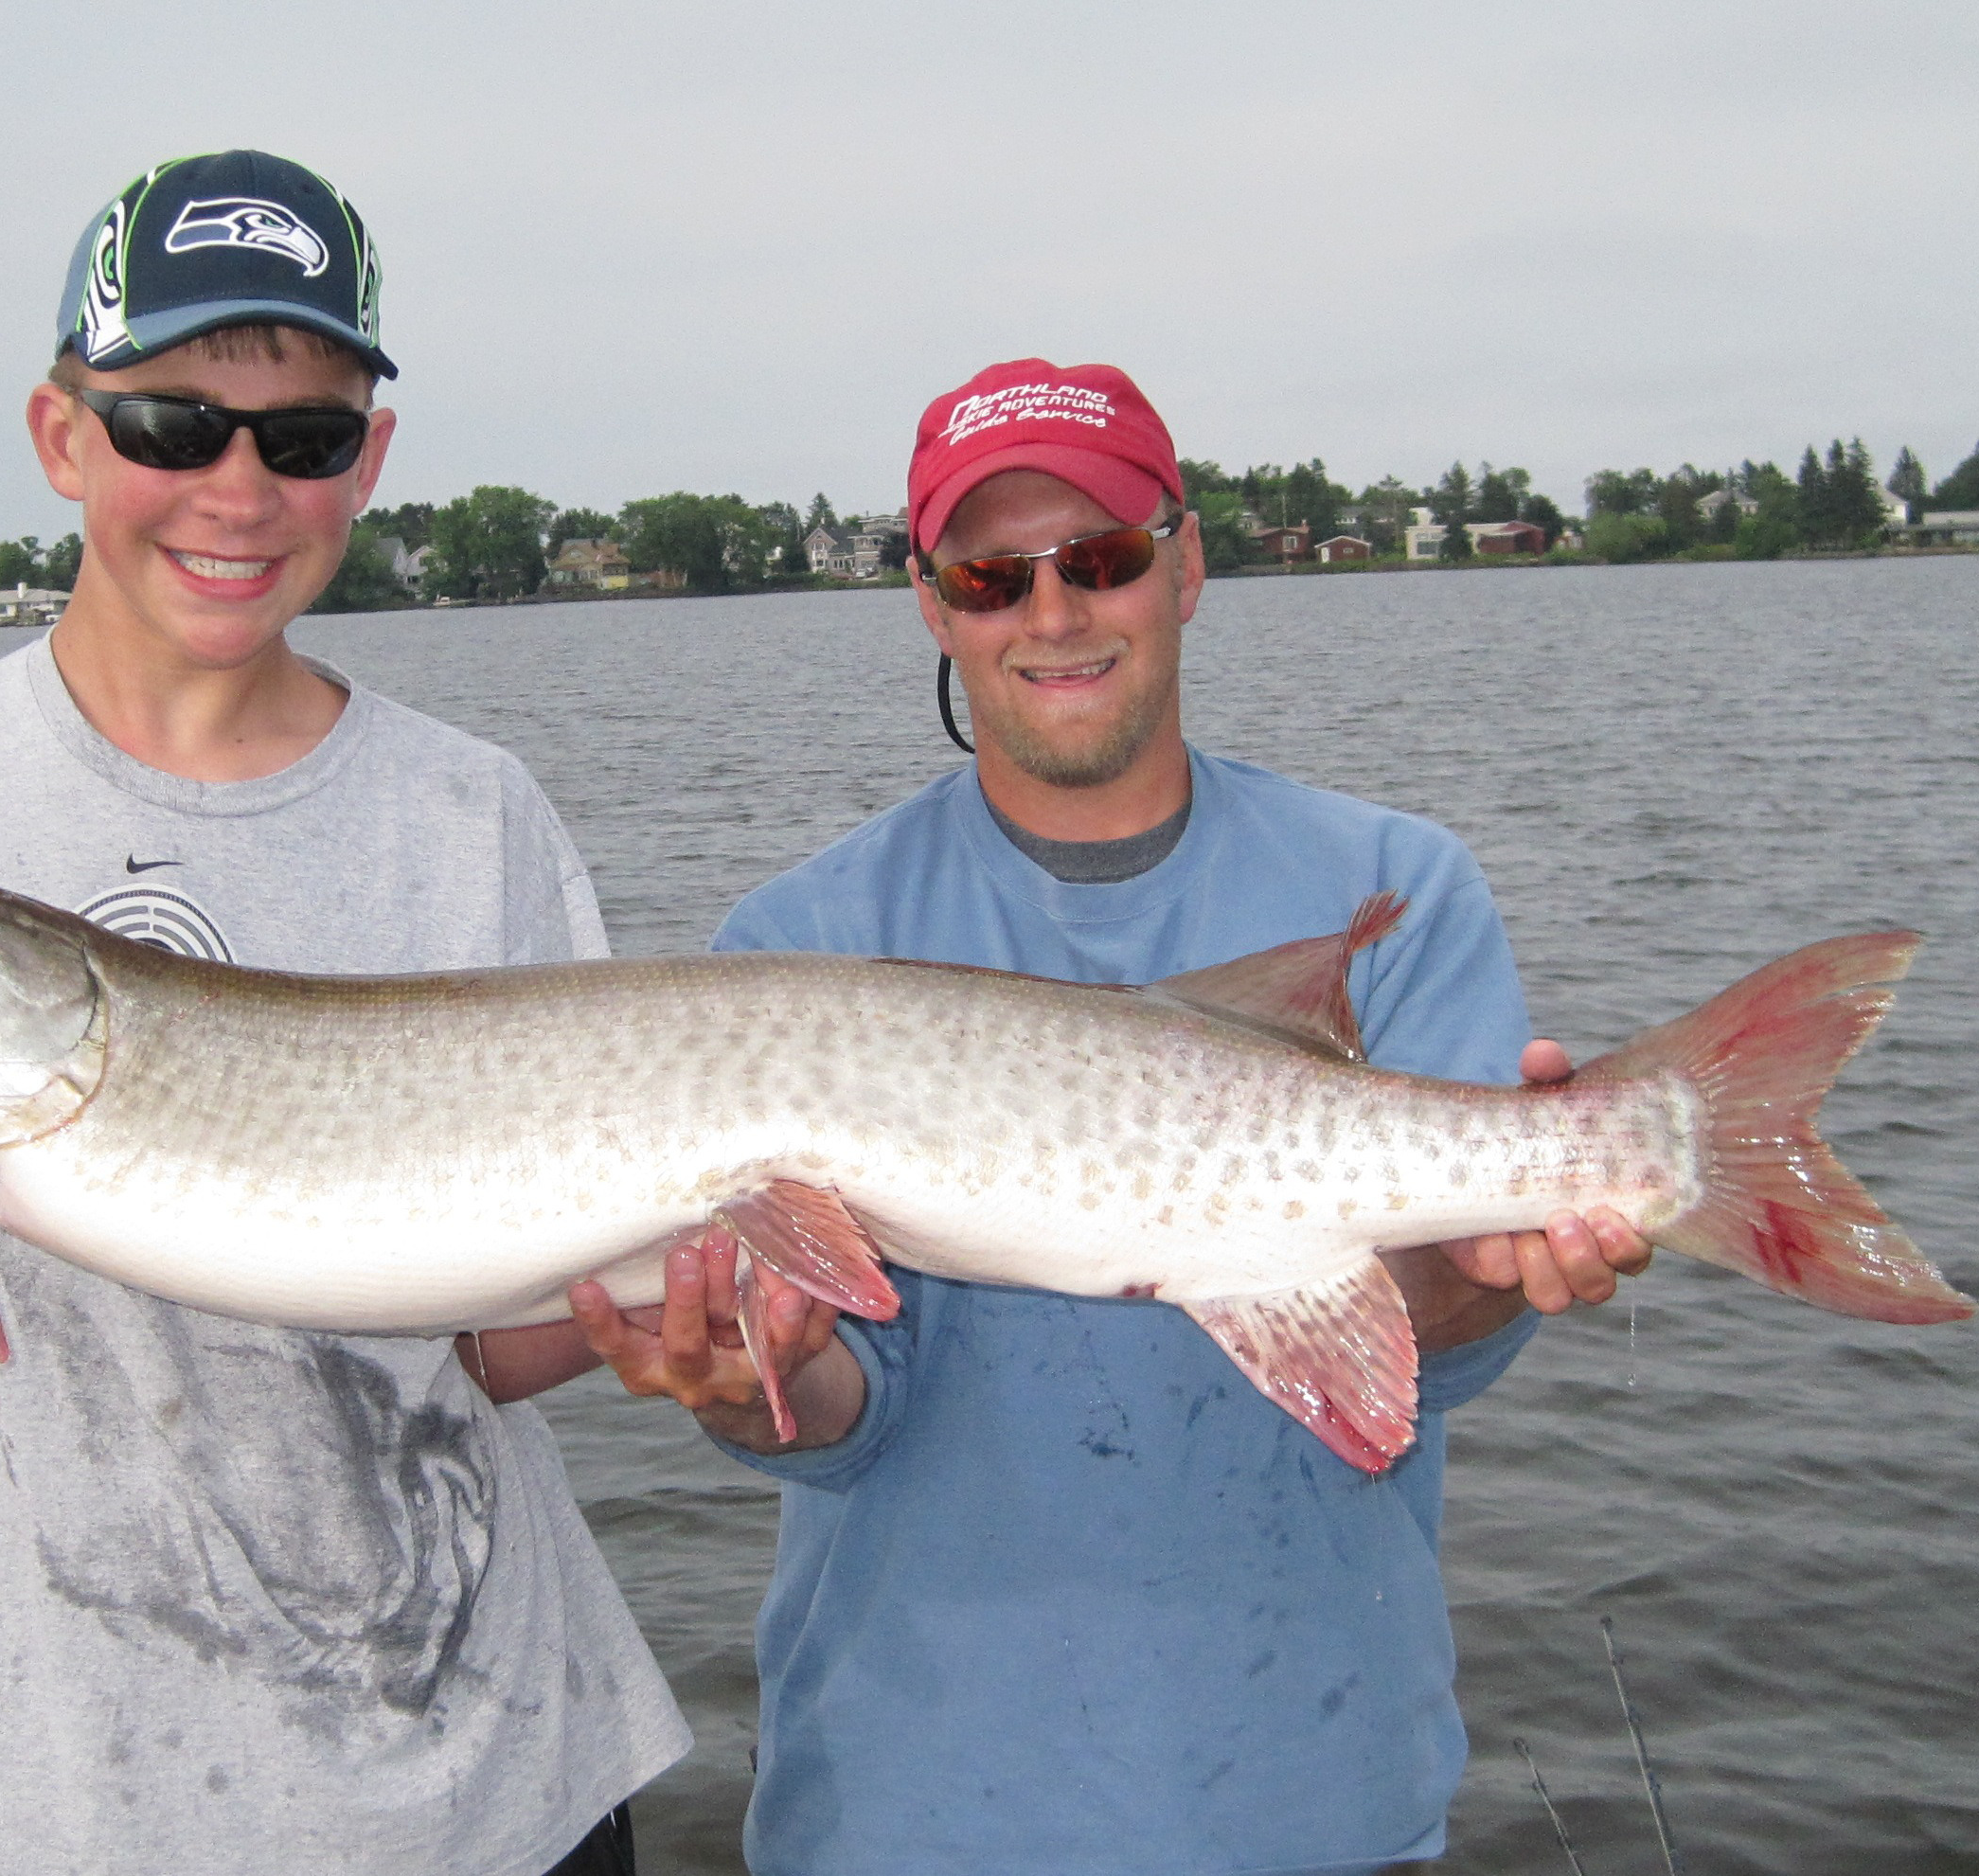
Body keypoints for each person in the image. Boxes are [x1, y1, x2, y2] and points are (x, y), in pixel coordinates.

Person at [0, 151, 685, 1876]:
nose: (236, 489)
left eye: (303, 437)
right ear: (62, 436)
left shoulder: (474, 815)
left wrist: (688, 1309)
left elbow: (490, 1336)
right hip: (34, 1808)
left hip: (484, 1795)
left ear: (368, 464)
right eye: (173, 425)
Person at [571, 358, 1653, 1873]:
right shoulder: (797, 941)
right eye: (992, 576)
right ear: (934, 605)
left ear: (1187, 565)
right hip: (902, 1817)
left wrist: (1468, 1279)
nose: (1054, 613)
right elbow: (835, 1407)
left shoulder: (1397, 885)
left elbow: (1428, 1346)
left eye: (1100, 559)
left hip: (1314, 1810)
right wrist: (750, 1380)